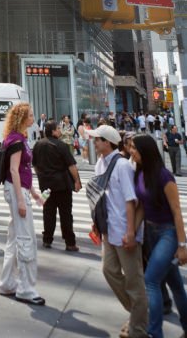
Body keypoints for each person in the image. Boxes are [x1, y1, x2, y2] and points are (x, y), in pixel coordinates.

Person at [90, 124, 148, 338]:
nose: (94, 142)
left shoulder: (122, 165)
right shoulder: (99, 164)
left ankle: (139, 329)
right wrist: (96, 221)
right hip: (108, 229)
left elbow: (130, 200)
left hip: (124, 229)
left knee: (134, 281)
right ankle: (137, 314)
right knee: (109, 270)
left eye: (97, 139)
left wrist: (131, 231)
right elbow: (100, 196)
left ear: (107, 142)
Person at [131, 134, 187, 338]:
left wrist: (182, 245)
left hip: (168, 233)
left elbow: (177, 212)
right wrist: (132, 233)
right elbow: (141, 209)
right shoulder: (139, 174)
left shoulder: (164, 177)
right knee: (175, 284)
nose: (131, 151)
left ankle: (155, 333)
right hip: (150, 233)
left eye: (135, 148)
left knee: (151, 281)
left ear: (145, 150)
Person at [0, 101, 46, 306]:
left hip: (21, 190)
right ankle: (25, 288)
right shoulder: (17, 140)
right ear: (22, 118)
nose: (33, 117)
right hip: (17, 191)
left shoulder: (17, 138)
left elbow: (22, 171)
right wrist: (21, 200)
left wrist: (33, 193)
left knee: (15, 238)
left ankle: (7, 283)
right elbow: (15, 170)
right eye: (31, 114)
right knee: (26, 239)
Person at [32, 120, 81, 252]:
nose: (60, 131)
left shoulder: (38, 145)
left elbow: (35, 165)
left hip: (45, 185)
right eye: (58, 129)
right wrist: (77, 181)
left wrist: (42, 176)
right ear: (53, 131)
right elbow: (71, 165)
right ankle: (70, 242)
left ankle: (47, 239)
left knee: (48, 212)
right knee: (65, 214)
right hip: (62, 185)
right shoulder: (61, 145)